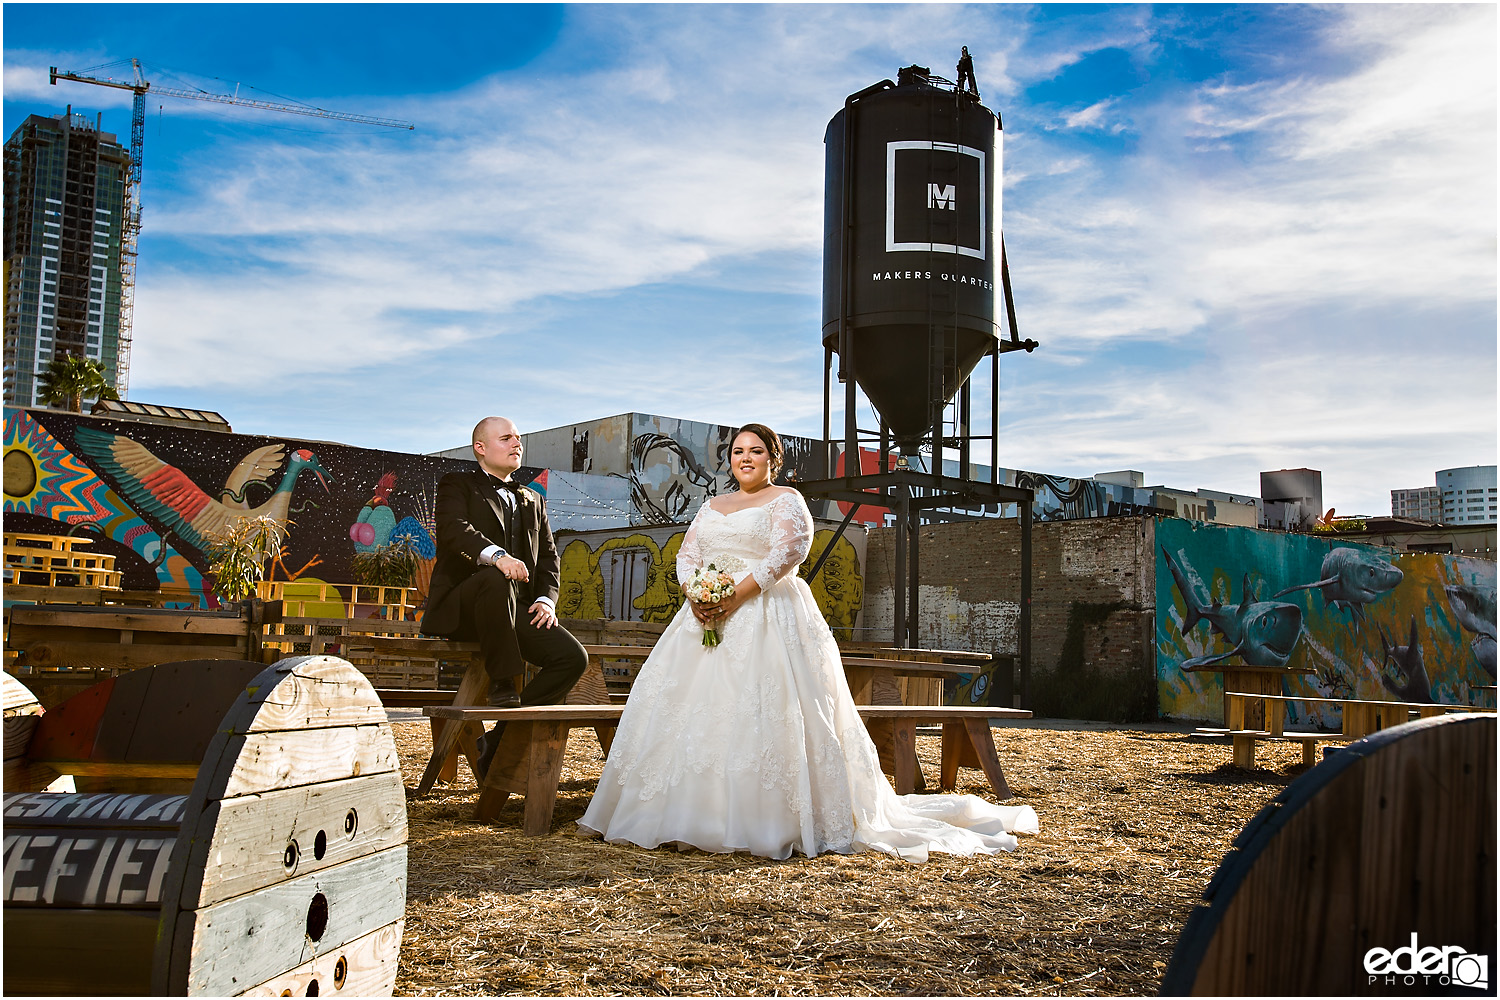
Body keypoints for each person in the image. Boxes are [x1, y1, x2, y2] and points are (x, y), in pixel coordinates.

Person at [579, 424, 1038, 862]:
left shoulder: (787, 499)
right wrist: (696, 594)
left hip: (766, 614)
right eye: (738, 452)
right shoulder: (712, 505)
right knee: (689, 712)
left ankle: (764, 821)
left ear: (772, 459)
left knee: (763, 710)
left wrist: (733, 597)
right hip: (702, 618)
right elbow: (688, 554)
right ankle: (681, 814)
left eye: (755, 451)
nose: (745, 459)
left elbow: (788, 553)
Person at [422, 416, 587, 774]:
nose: (517, 443)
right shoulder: (457, 484)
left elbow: (548, 558)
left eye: (519, 438)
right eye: (507, 438)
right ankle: (503, 682)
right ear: (480, 448)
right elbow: (453, 530)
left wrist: (545, 599)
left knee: (572, 658)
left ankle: (497, 738)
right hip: (465, 607)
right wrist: (498, 556)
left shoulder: (531, 499)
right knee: (494, 578)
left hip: (516, 610)